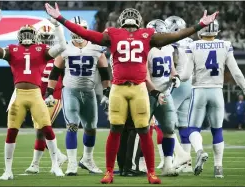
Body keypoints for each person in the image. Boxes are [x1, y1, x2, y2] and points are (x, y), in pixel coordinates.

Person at [45, 3, 219, 184]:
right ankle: (143, 172)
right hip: (133, 88)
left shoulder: (116, 33)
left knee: (124, 130)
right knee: (138, 130)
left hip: (126, 88)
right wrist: (199, 25)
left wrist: (60, 18)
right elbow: (175, 35)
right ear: (139, 22)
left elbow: (86, 34)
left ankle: (118, 172)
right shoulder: (145, 35)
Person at [0, 8, 67, 180]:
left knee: (47, 129)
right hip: (19, 95)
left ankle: (55, 165)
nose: (28, 36)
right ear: (20, 36)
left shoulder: (42, 49)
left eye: (31, 32)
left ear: (35, 36)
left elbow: (61, 47)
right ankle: (8, 170)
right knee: (11, 131)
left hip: (36, 95)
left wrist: (57, 26)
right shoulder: (12, 50)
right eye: (25, 33)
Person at [180, 20, 245, 178]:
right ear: (216, 30)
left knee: (193, 129)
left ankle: (200, 151)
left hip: (199, 91)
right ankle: (218, 168)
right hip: (217, 91)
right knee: (217, 131)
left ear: (201, 31)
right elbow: (236, 72)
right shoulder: (225, 45)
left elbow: (186, 75)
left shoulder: (193, 46)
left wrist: (176, 78)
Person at [45, 16, 110, 176]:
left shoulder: (96, 48)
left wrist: (107, 93)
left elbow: (104, 73)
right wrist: (49, 93)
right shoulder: (64, 49)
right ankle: (72, 163)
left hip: (89, 92)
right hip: (70, 92)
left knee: (91, 128)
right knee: (72, 126)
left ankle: (87, 159)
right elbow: (54, 73)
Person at [25, 25, 67, 174]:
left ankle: (37, 164)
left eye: (48, 37)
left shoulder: (59, 53)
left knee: (42, 128)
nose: (46, 41)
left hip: (53, 96)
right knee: (41, 129)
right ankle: (57, 158)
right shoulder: (35, 53)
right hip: (38, 95)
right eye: (43, 37)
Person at [146, 19, 181, 176]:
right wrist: (155, 92)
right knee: (143, 130)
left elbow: (172, 68)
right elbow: (144, 74)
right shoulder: (146, 49)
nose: (159, 37)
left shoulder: (168, 48)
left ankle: (168, 165)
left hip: (165, 94)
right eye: (156, 34)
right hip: (147, 94)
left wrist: (175, 77)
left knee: (169, 128)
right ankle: (141, 165)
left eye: (161, 34)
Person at [164, 16, 193, 173]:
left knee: (163, 121)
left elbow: (172, 63)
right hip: (191, 84)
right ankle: (187, 163)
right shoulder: (190, 41)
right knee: (184, 124)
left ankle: (175, 157)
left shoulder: (173, 43)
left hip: (178, 82)